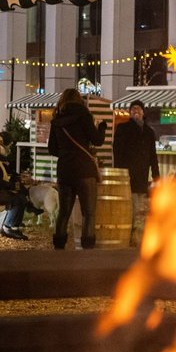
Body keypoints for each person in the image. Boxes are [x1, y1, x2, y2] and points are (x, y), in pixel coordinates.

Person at [47, 87, 108, 250]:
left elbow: (52, 149)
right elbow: (97, 141)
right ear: (78, 100)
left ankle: (59, 248)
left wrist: (66, 152)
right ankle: (87, 248)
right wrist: (102, 127)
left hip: (65, 171)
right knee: (88, 213)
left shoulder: (56, 120)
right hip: (84, 170)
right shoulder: (84, 115)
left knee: (64, 212)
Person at [113, 98, 160, 245]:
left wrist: (156, 174)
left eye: (138, 109)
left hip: (141, 175)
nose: (135, 111)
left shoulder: (149, 132)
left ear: (143, 112)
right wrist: (119, 171)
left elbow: (152, 155)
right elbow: (117, 151)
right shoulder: (123, 128)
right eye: (133, 109)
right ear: (129, 112)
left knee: (138, 206)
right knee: (129, 205)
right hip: (127, 174)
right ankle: (128, 235)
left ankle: (135, 235)